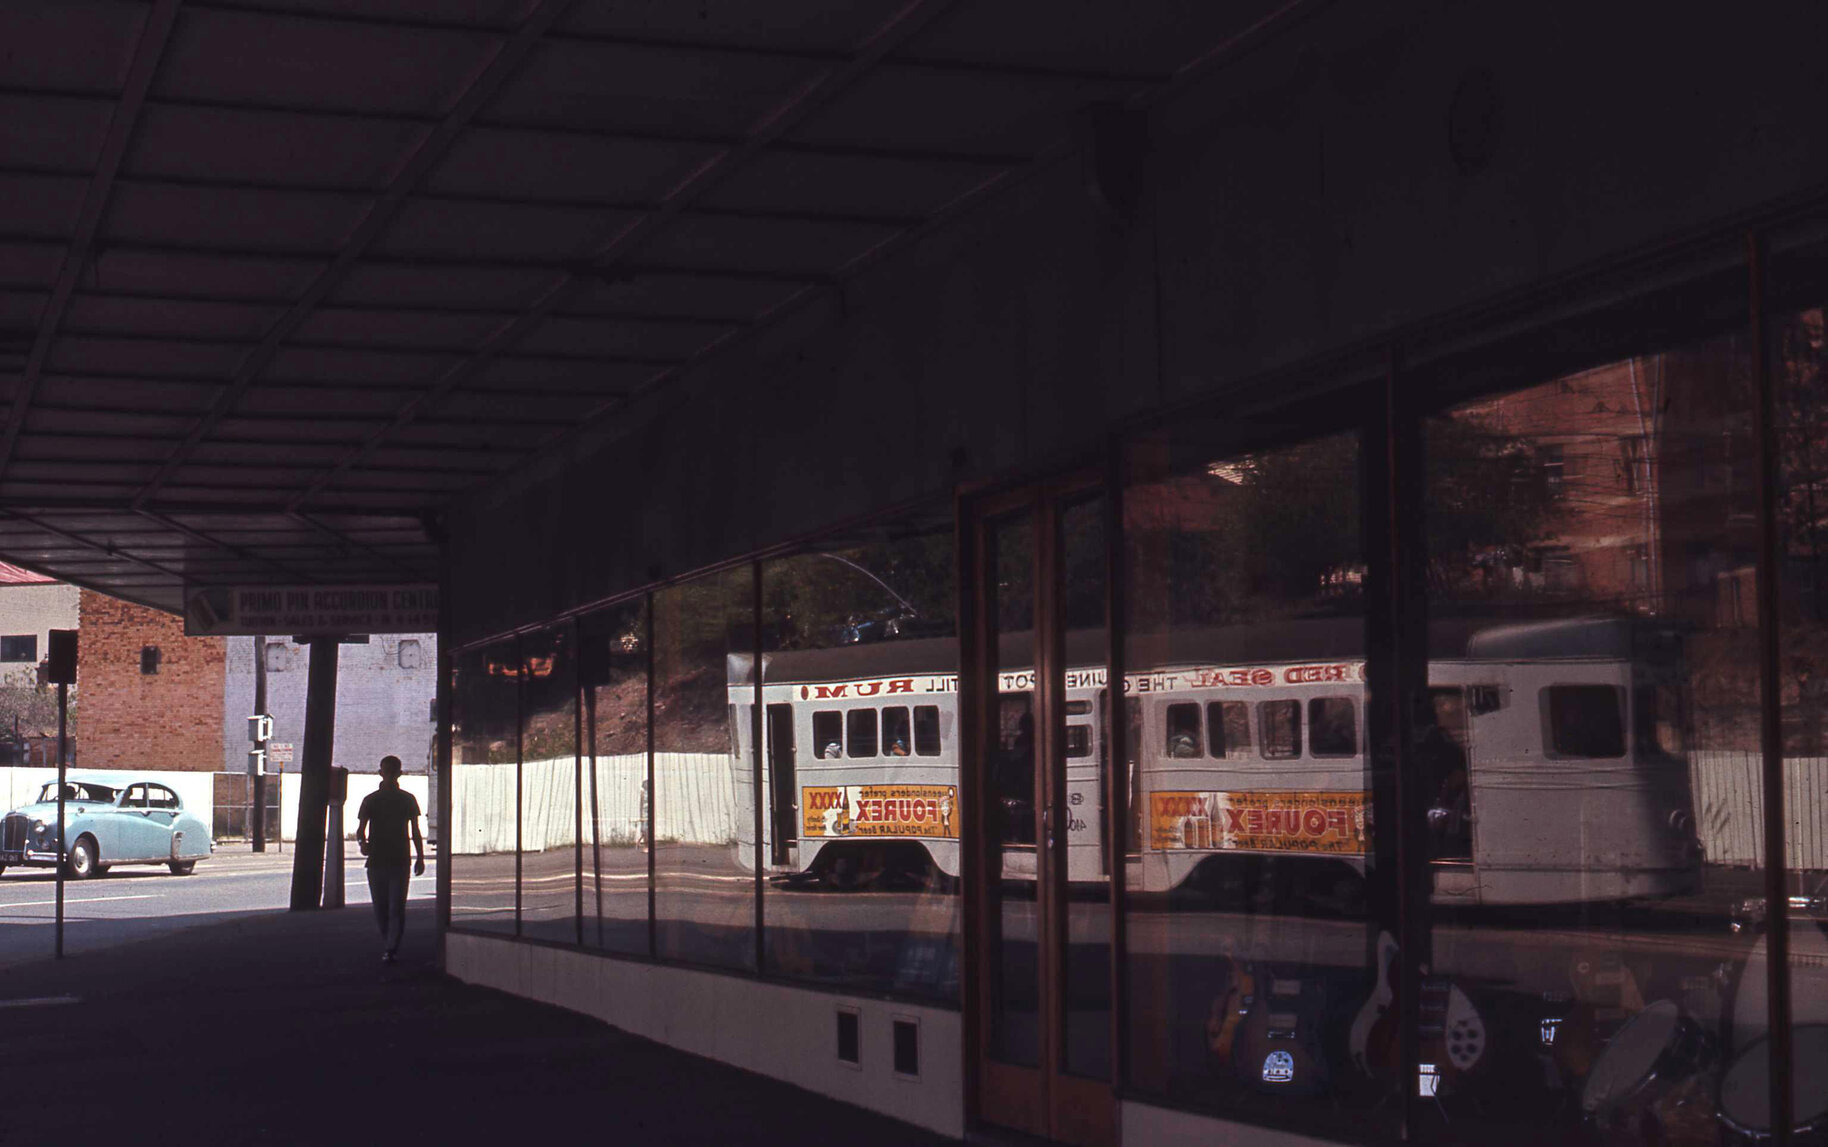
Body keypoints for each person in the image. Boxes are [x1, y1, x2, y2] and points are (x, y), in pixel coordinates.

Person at [356, 754, 424, 963]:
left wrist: (363, 843)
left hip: (382, 859)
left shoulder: (371, 800)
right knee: (392, 907)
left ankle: (390, 946)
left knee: (386, 907)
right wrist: (419, 856)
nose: (390, 776)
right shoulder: (407, 799)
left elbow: (360, 831)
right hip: (396, 858)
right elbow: (415, 831)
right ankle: (390, 944)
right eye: (389, 772)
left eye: (390, 772)